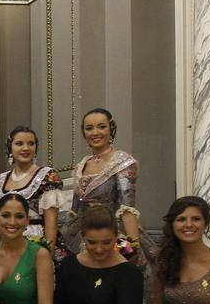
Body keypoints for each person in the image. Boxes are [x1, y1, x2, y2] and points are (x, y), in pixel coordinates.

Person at [59, 108, 156, 264]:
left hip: (112, 233)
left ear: (111, 129)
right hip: (82, 233)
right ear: (84, 134)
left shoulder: (122, 162)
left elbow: (127, 209)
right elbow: (75, 211)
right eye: (89, 128)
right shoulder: (81, 165)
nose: (95, 132)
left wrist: (134, 245)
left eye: (101, 126)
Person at [0, 126, 64, 249]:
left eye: (31, 144)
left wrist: (47, 254)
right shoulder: (0, 180)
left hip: (35, 243)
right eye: (19, 143)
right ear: (10, 147)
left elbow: (51, 221)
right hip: (5, 241)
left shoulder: (47, 176)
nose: (26, 148)